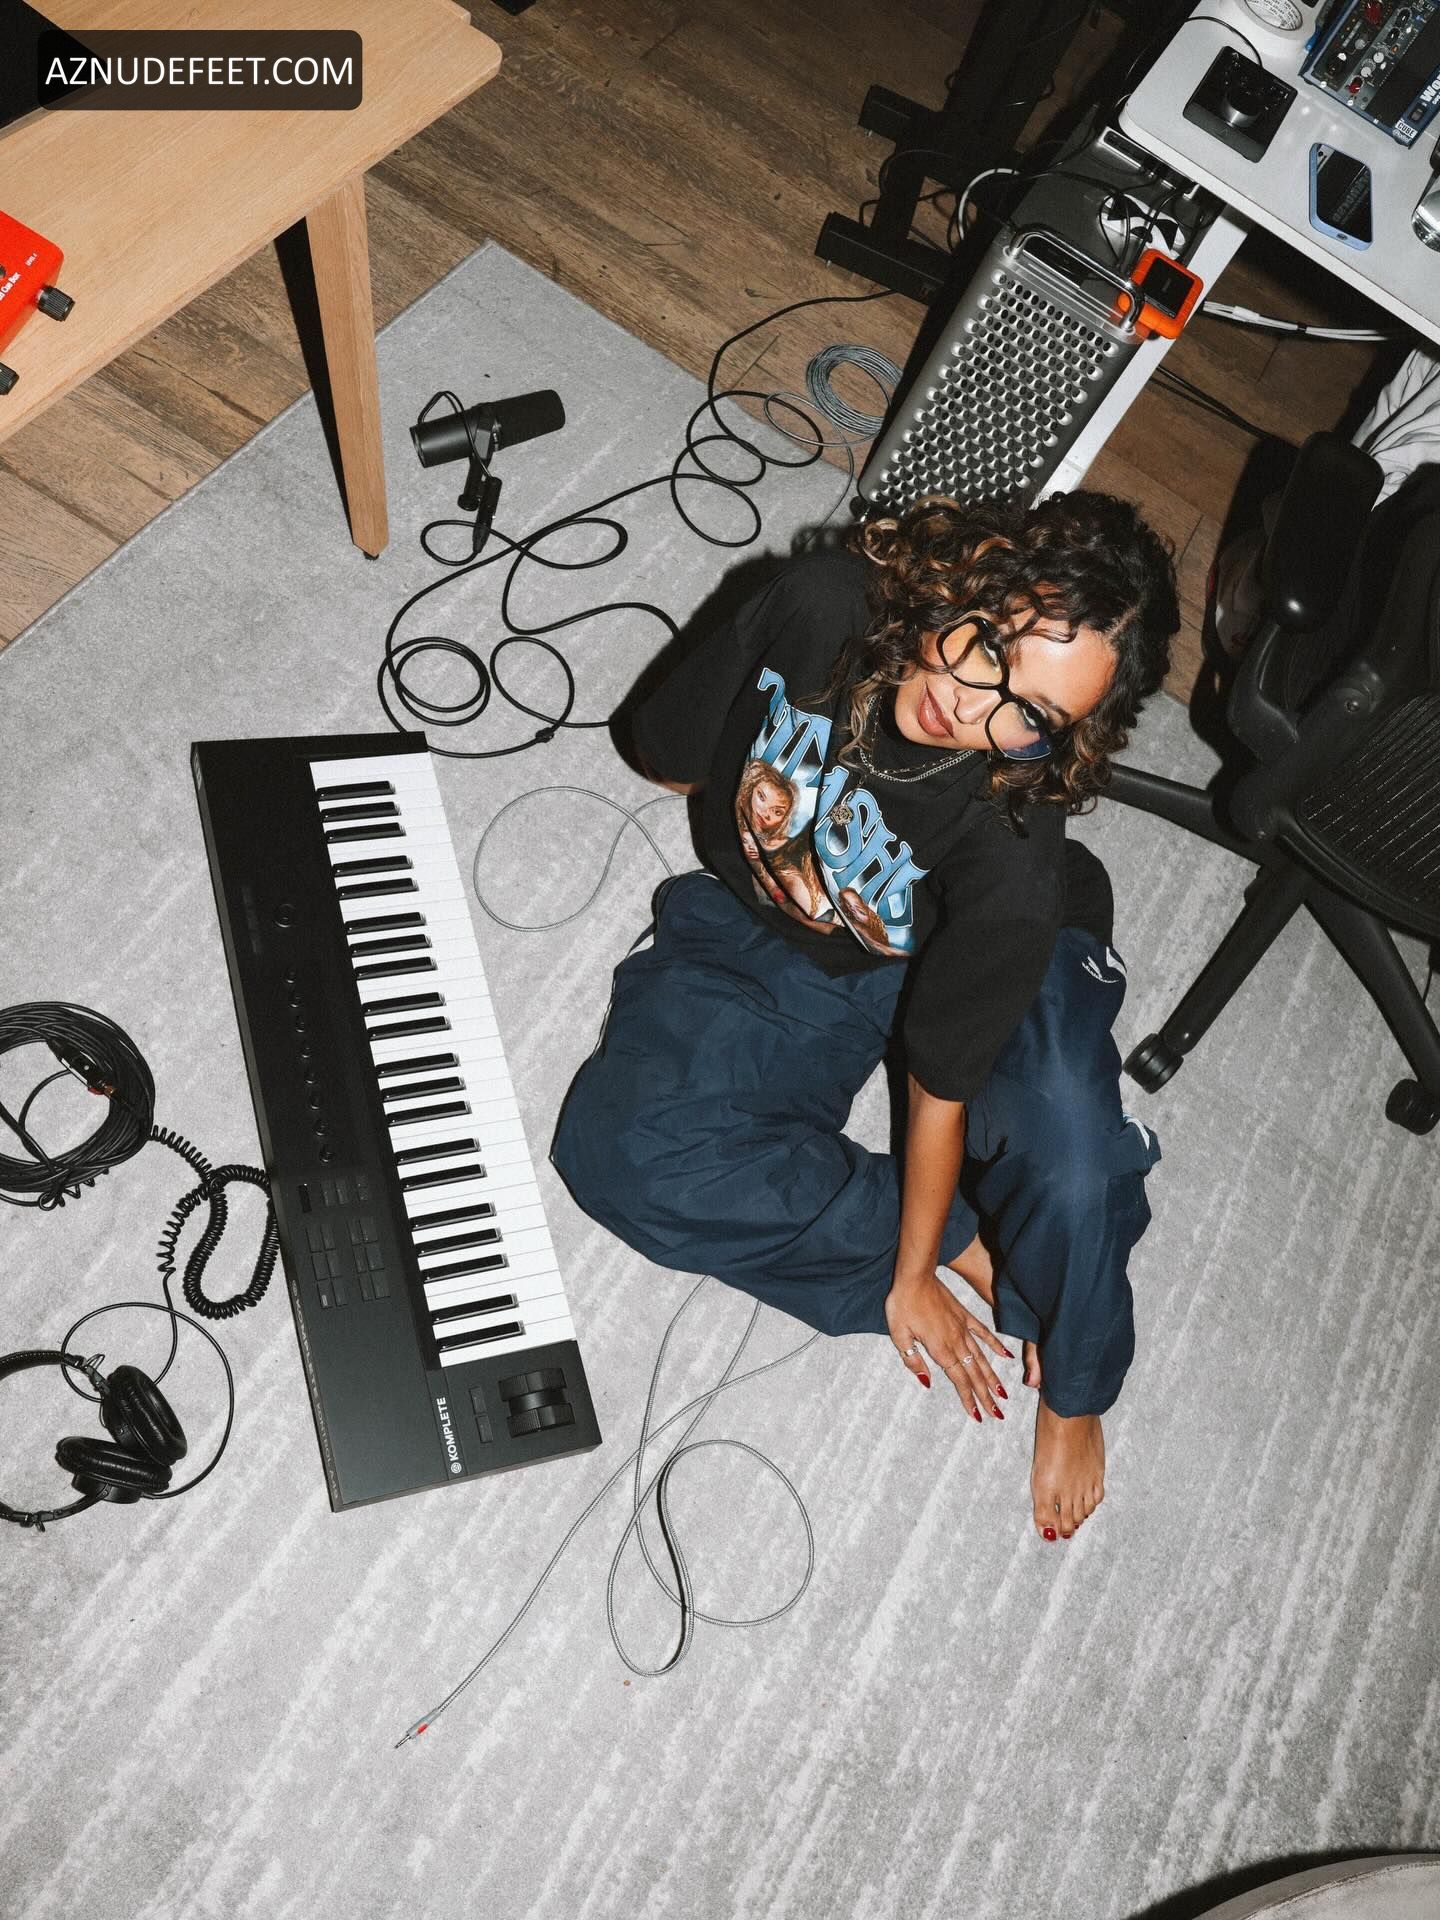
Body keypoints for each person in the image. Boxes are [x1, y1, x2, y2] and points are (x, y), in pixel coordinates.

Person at [552, 491, 1177, 1542]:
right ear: (969, 578)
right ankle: (979, 1242)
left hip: (984, 938)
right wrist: (933, 1247)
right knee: (623, 1158)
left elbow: (938, 1088)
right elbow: (664, 750)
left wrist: (907, 1279)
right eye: (989, 644)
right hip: (778, 940)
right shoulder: (821, 608)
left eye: (1030, 714)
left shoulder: (1014, 849)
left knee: (1068, 1154)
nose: (971, 706)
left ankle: (1077, 1383)